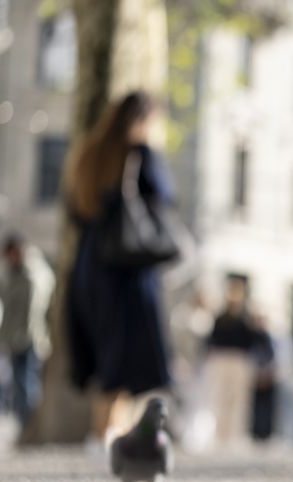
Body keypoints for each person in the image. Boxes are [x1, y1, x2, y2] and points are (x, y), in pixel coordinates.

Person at [66, 91, 175, 446]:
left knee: (104, 354)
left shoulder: (87, 154)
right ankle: (114, 437)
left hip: (88, 262)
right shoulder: (138, 155)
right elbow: (164, 195)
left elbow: (74, 210)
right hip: (127, 266)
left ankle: (102, 433)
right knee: (128, 357)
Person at [0, 234, 53, 430]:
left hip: (29, 340)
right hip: (15, 339)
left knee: (28, 384)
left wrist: (22, 338)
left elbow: (33, 311)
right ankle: (24, 424)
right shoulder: (15, 273)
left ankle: (30, 425)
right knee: (19, 385)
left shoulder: (32, 273)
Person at [204, 277, 257, 447]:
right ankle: (221, 434)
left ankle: (236, 434)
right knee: (221, 397)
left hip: (240, 360)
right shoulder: (221, 316)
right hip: (222, 359)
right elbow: (212, 339)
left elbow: (252, 340)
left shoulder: (246, 317)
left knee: (238, 399)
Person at [250, 311, 277, 442]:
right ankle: (256, 432)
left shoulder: (268, 337)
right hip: (256, 374)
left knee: (266, 407)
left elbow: (272, 356)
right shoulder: (252, 336)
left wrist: (266, 372)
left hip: (266, 374)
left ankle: (265, 433)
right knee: (255, 406)